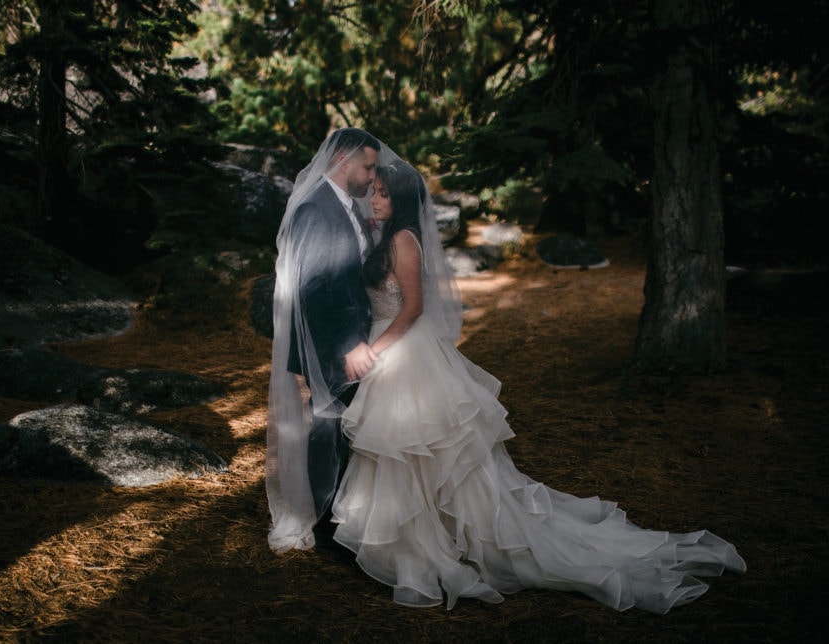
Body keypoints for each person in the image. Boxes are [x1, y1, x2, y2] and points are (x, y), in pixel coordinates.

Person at [327, 156, 747, 613]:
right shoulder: (384, 237)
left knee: (423, 453)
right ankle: (418, 542)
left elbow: (411, 308)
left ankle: (437, 546)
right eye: (376, 191)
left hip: (403, 353)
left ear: (403, 199)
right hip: (395, 353)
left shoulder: (405, 241)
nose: (376, 198)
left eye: (385, 193)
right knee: (404, 456)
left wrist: (373, 351)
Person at [266, 127, 384, 554]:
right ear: (342, 161)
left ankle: (339, 513)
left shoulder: (345, 206)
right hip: (332, 342)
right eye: (367, 166)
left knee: (339, 426)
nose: (372, 175)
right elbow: (314, 289)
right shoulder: (317, 209)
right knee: (329, 426)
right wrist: (348, 344)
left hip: (351, 336)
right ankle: (323, 522)